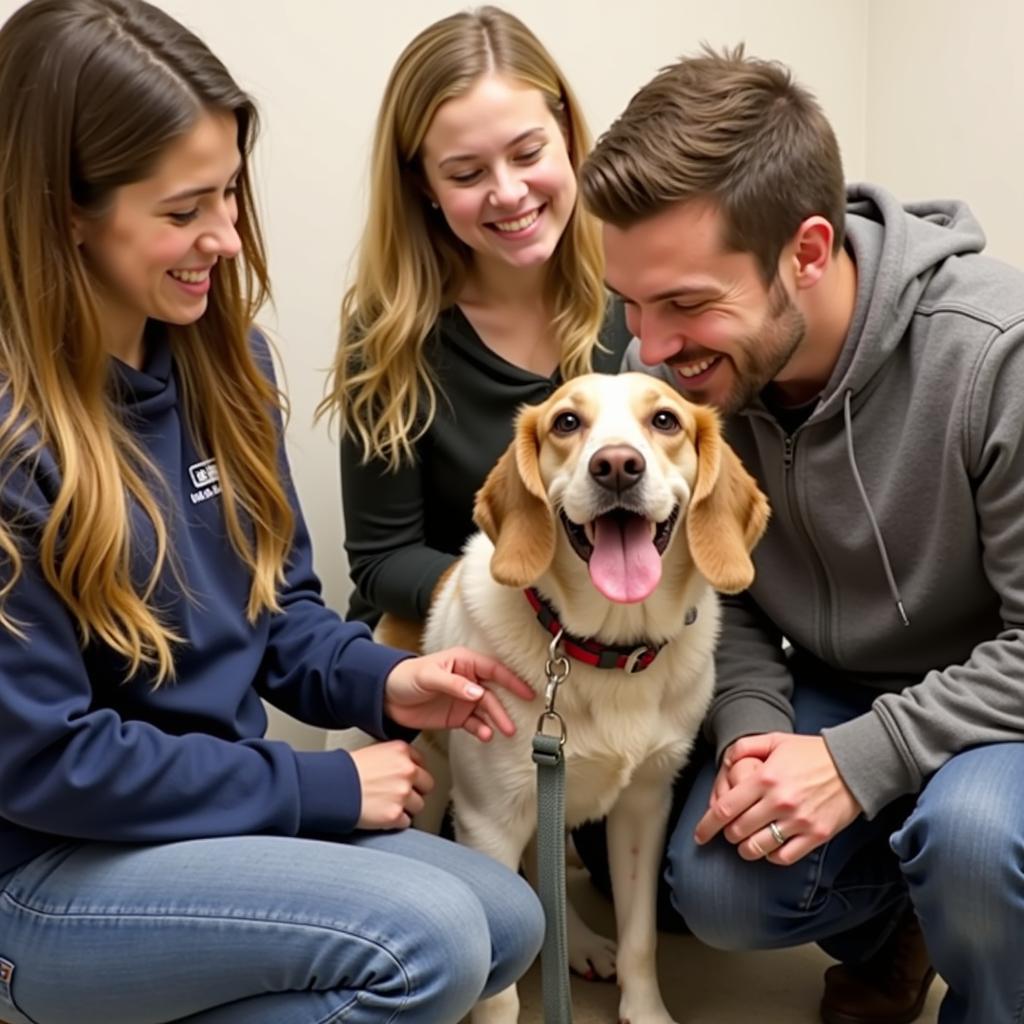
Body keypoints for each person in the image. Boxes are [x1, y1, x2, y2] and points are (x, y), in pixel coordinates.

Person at [0, 2, 546, 1022]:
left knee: (508, 923)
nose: (227, 236)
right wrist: (313, 790)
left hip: (204, 825)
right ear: (63, 211)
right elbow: (44, 761)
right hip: (46, 868)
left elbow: (278, 612)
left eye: (231, 192)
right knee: (428, 947)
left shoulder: (225, 362)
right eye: (183, 209)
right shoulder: (13, 436)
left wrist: (387, 679)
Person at [576, 44, 1024, 1024]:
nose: (648, 350)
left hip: (1000, 707)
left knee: (975, 840)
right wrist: (755, 738)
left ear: (808, 252)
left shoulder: (996, 355)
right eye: (631, 304)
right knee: (721, 882)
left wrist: (863, 759)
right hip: (832, 684)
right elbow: (709, 586)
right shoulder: (668, 376)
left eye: (688, 303)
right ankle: (896, 925)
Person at [319, 6, 629, 630]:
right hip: (441, 639)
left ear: (567, 134)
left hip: (625, 643)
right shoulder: (390, 337)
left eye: (528, 152)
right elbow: (383, 561)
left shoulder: (643, 293)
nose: (509, 192)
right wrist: (541, 598)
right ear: (424, 185)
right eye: (467, 173)